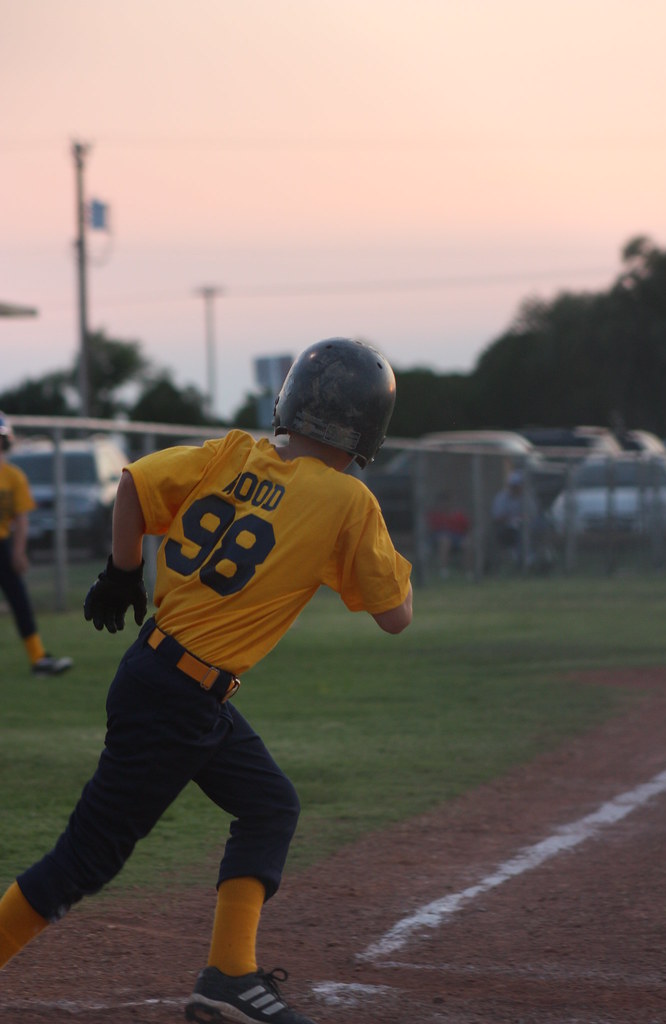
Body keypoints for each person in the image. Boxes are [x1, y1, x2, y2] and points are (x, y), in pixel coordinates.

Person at [0, 338, 413, 1024]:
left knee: (268, 804)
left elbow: (132, 482)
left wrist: (124, 569)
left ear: (288, 402)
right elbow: (394, 616)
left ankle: (228, 977)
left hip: (166, 677)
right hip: (179, 696)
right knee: (85, 859)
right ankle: (225, 977)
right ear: (368, 429)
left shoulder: (232, 453)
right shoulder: (348, 499)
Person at [0, 412, 72, 675]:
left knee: (19, 600)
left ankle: (38, 658)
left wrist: (18, 552)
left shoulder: (13, 477)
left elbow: (21, 518)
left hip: (3, 545)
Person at [427, 493, 470, 578]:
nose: (446, 505)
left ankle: (468, 572)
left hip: (457, 537)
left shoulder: (458, 515)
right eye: (444, 502)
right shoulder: (436, 515)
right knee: (445, 541)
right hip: (438, 538)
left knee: (467, 543)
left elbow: (467, 528)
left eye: (448, 502)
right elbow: (430, 530)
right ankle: (443, 570)